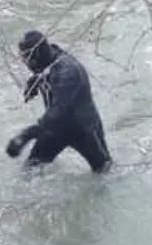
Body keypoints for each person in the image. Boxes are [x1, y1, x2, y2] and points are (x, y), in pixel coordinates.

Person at [6, 30, 113, 173]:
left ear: (35, 56)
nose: (22, 61)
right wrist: (34, 83)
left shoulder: (69, 72)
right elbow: (45, 71)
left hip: (84, 129)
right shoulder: (48, 59)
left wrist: (25, 136)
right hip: (56, 129)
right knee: (30, 171)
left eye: (24, 57)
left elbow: (58, 111)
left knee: (104, 171)